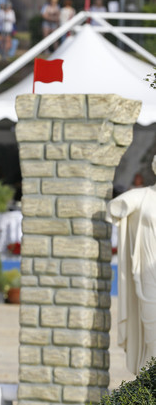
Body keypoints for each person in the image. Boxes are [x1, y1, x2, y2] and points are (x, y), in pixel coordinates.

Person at [107, 155, 156, 375]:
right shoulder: (143, 196)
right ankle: (149, 380)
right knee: (152, 331)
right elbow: (115, 208)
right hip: (148, 278)